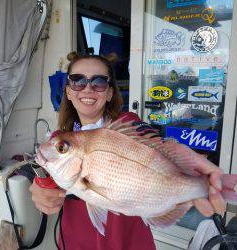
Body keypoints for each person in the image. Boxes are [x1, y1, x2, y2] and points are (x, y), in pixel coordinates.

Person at [29, 52, 226, 250]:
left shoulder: (129, 124)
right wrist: (40, 186)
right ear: (69, 92)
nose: (87, 88)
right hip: (76, 243)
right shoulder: (59, 138)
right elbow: (46, 176)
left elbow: (156, 141)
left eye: (98, 82)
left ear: (109, 93)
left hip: (130, 244)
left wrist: (187, 164)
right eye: (77, 81)